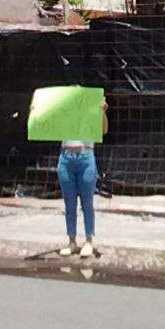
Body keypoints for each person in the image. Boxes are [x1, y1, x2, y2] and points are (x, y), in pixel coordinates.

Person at [57, 97, 109, 258]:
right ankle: (71, 241)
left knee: (87, 202)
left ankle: (89, 241)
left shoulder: (90, 114)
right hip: (66, 157)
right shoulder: (64, 114)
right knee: (69, 203)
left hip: (85, 156)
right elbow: (48, 125)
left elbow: (104, 130)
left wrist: (102, 111)